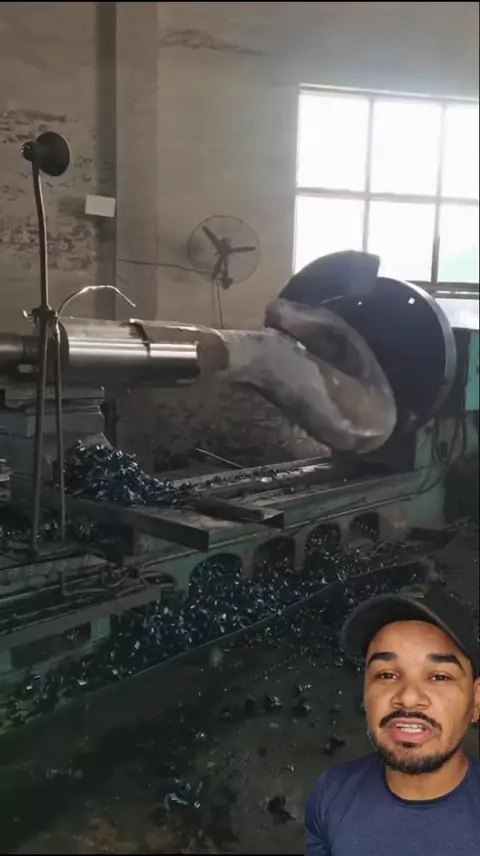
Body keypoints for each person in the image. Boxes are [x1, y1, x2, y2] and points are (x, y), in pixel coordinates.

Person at [305, 584, 480, 855]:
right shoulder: (331, 791)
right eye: (386, 675)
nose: (408, 698)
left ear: (476, 701)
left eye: (439, 677)